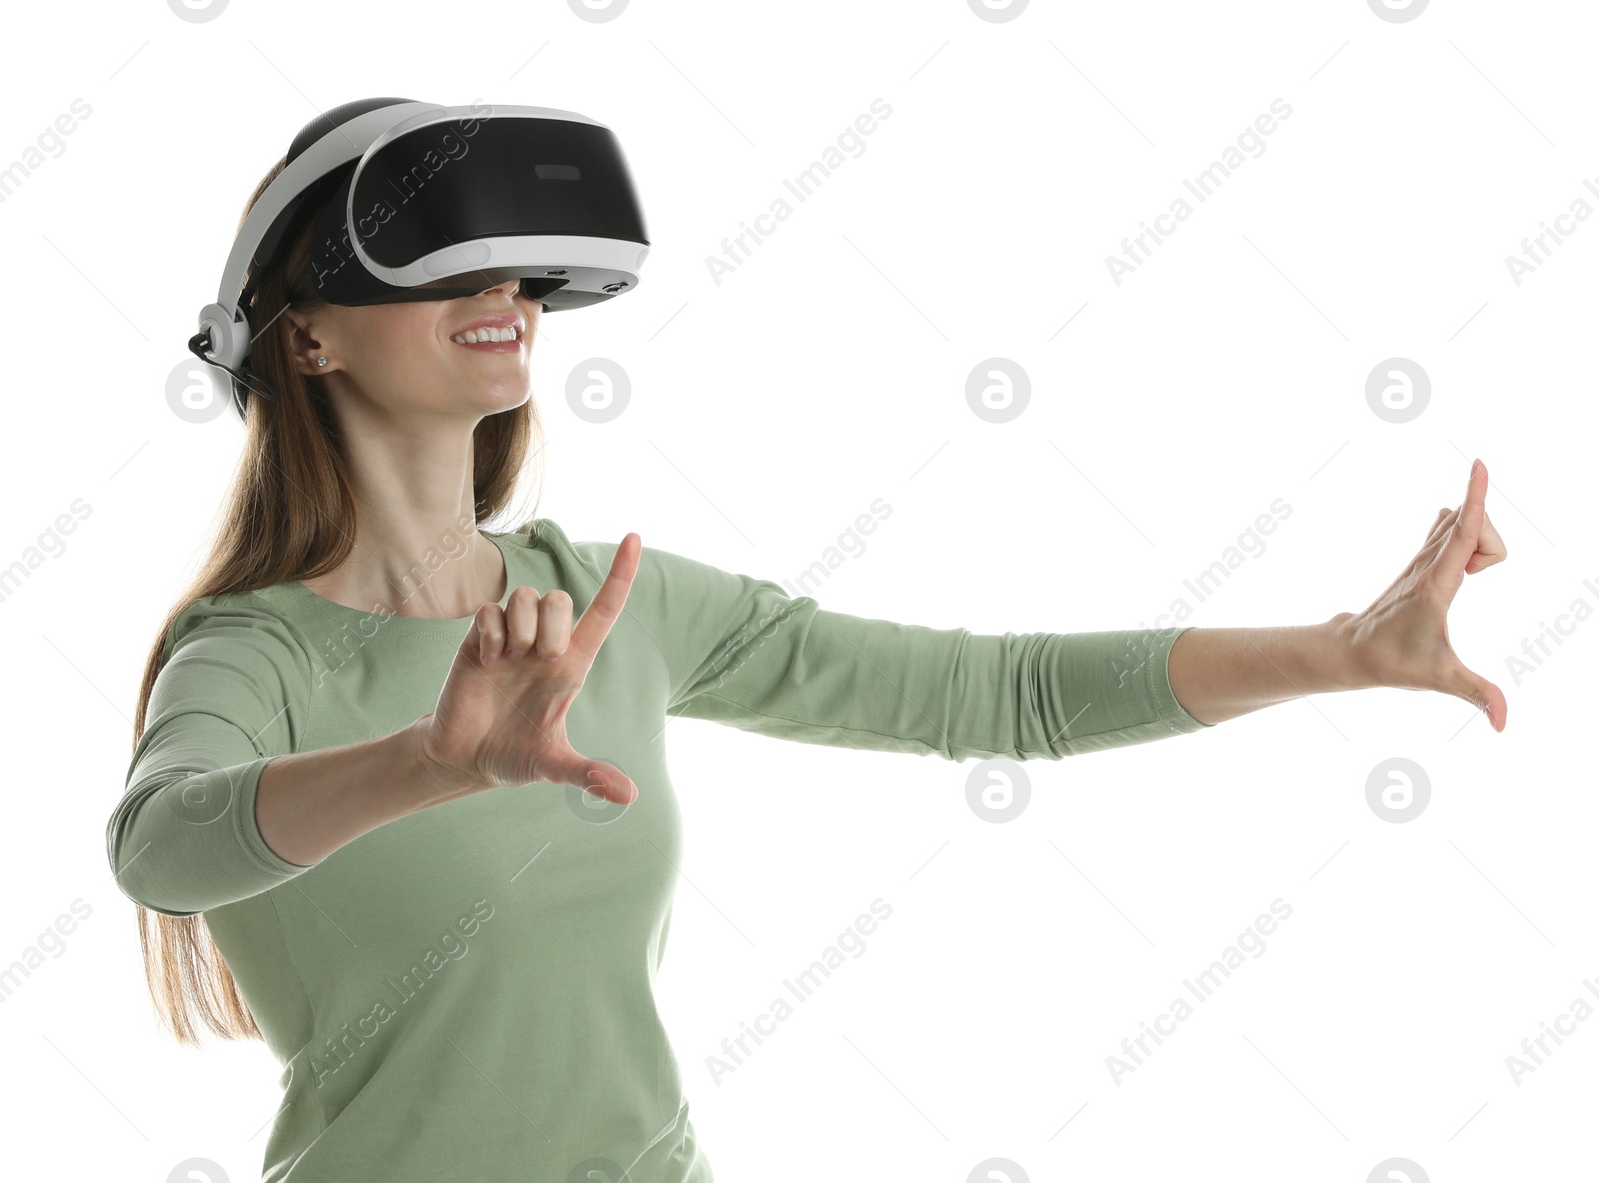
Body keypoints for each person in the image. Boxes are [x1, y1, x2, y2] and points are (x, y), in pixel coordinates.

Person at [107, 153, 1507, 1183]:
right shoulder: (254, 649)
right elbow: (160, 850)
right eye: (443, 259)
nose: (507, 291)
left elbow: (993, 692)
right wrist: (431, 762)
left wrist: (1339, 652)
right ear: (305, 333)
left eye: (523, 268)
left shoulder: (611, 601)